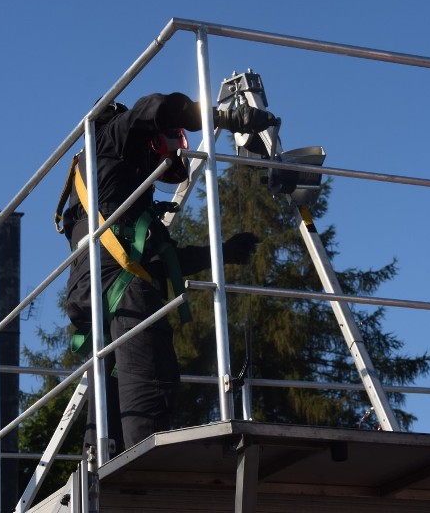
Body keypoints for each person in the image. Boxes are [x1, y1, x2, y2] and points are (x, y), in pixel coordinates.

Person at [59, 92, 278, 451]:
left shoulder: (103, 195)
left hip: (96, 294)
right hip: (125, 290)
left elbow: (162, 262)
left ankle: (98, 479)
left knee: (109, 402)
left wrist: (221, 253)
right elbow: (155, 108)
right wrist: (225, 117)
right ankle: (145, 483)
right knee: (149, 390)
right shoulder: (113, 137)